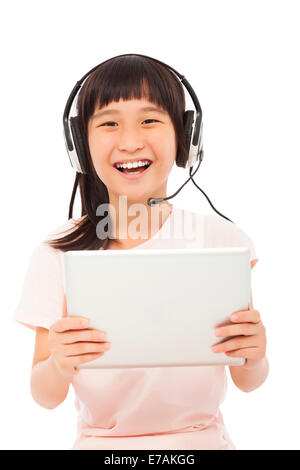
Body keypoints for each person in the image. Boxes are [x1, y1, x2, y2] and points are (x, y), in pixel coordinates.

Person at [13, 54, 268, 450]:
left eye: (149, 120)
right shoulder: (55, 253)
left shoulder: (224, 241)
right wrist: (60, 363)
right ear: (81, 145)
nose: (130, 141)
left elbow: (249, 380)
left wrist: (256, 356)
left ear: (185, 136)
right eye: (110, 123)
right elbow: (44, 395)